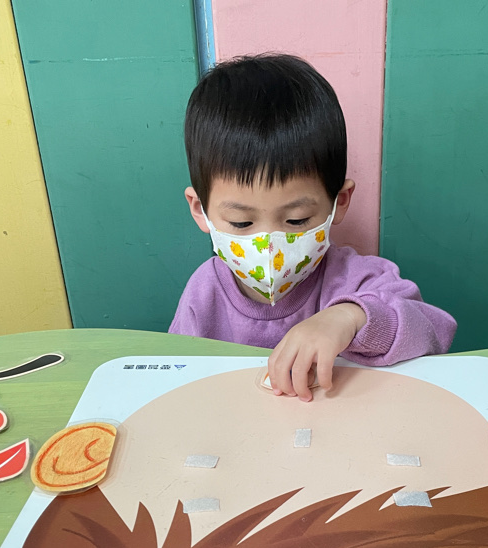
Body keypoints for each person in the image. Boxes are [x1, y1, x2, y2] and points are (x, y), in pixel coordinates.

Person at [170, 53, 457, 401]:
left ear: (340, 202)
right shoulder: (204, 293)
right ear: (200, 210)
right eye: (241, 222)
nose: (269, 247)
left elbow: (435, 332)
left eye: (296, 220)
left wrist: (350, 317)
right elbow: (178, 381)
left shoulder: (359, 279)